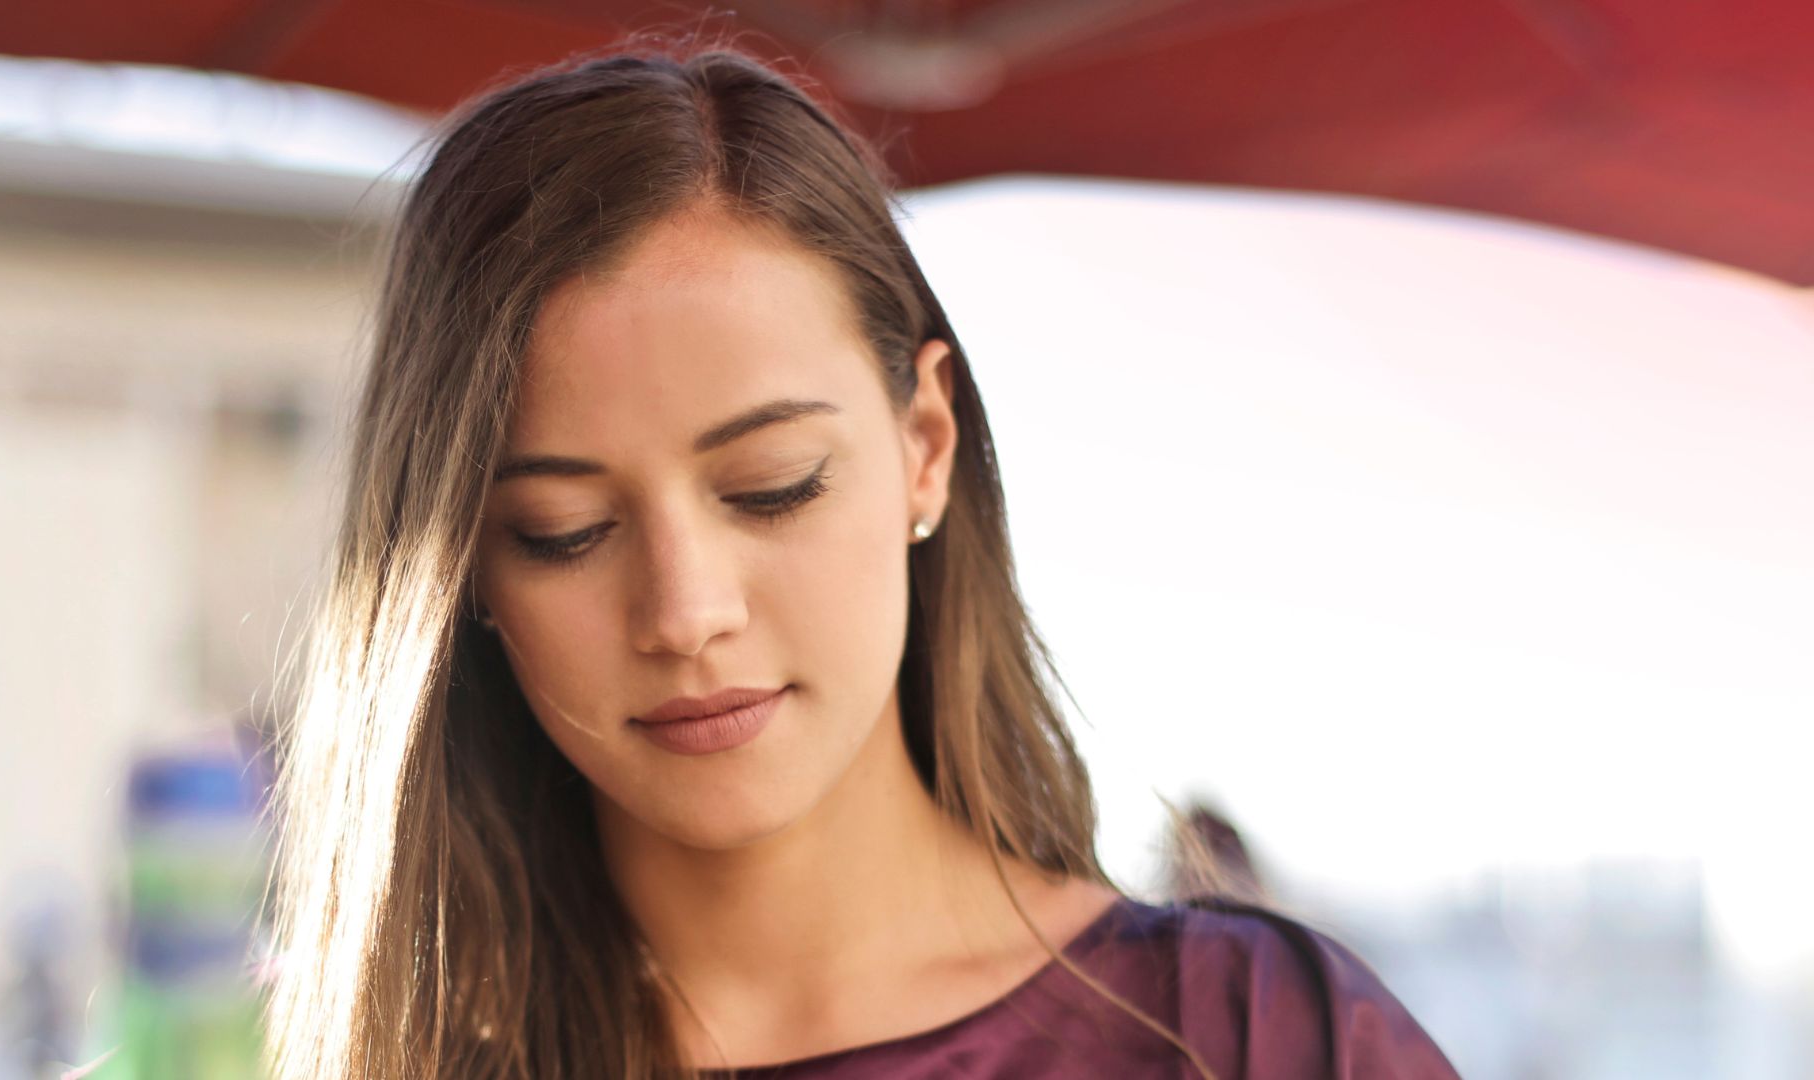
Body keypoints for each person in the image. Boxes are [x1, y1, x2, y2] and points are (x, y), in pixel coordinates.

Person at [263, 35, 1463, 1080]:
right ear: (460, 570)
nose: (684, 612)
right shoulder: (312, 1059)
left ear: (925, 447)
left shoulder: (1255, 1043)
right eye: (563, 534)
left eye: (772, 489)